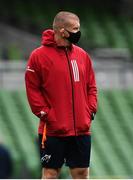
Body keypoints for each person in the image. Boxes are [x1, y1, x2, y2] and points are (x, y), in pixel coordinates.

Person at [25, 11, 97, 179]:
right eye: (75, 28)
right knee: (50, 173)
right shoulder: (38, 56)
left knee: (81, 173)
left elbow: (91, 86)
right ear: (62, 31)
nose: (78, 32)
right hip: (52, 131)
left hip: (81, 129)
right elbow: (32, 89)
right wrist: (47, 115)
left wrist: (90, 110)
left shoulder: (82, 55)